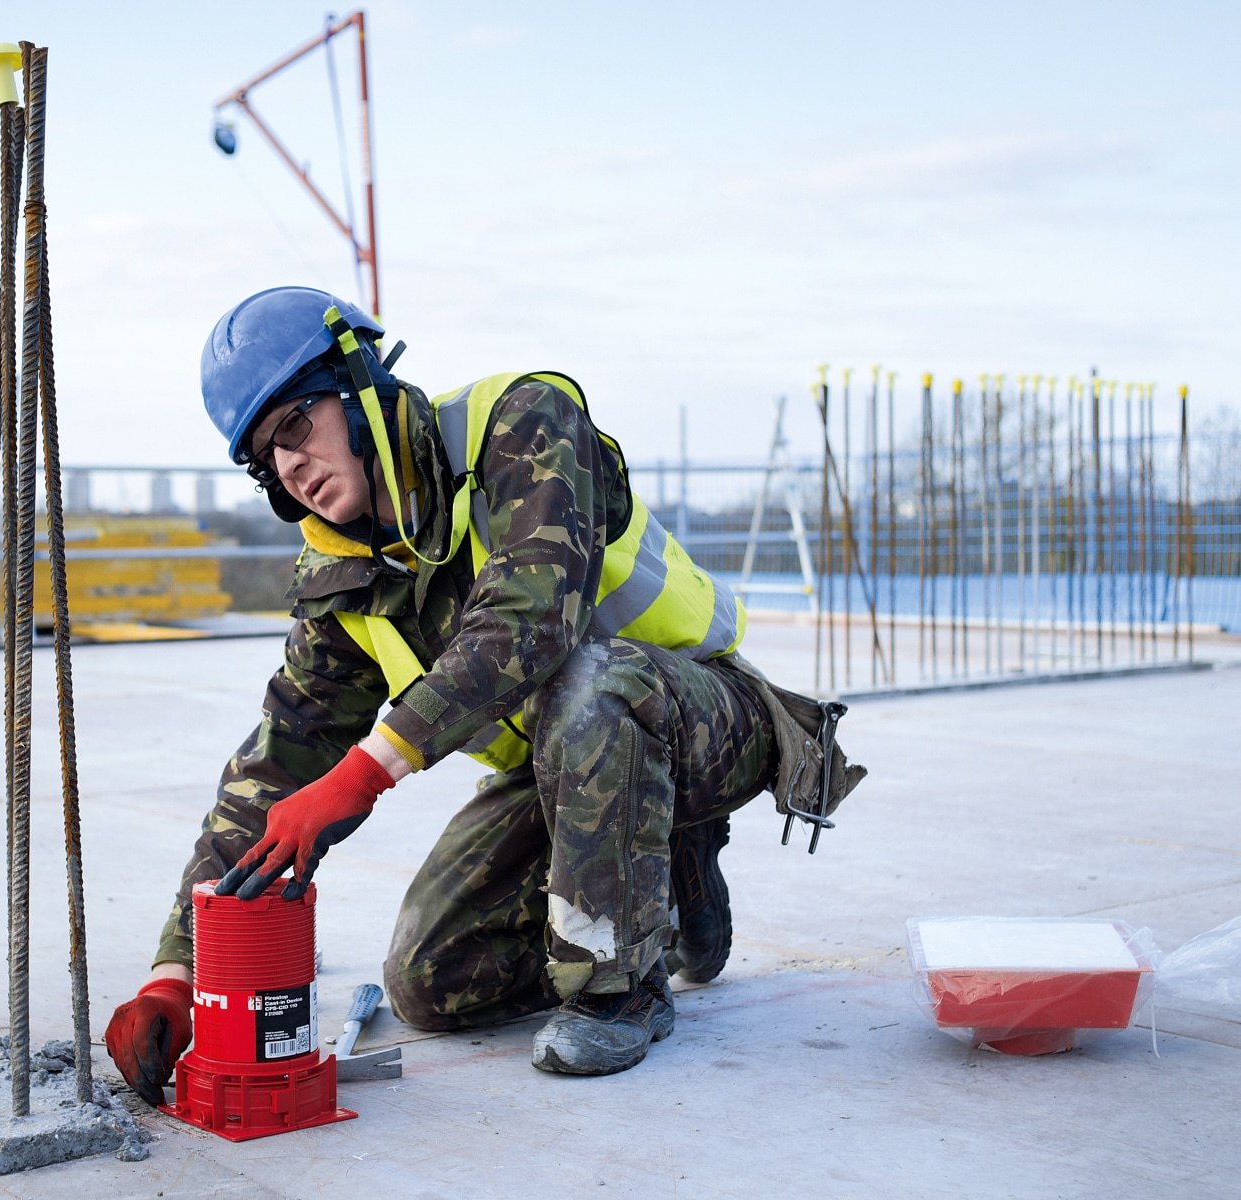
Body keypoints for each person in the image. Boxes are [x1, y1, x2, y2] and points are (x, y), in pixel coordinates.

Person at [105, 287, 863, 1104]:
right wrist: (179, 971)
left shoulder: (520, 423)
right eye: (266, 458)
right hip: (564, 771)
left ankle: (619, 990)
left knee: (589, 683)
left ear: (360, 387)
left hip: (698, 719)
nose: (289, 465)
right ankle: (665, 898)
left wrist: (363, 773)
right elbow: (279, 765)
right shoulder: (343, 581)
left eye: (295, 425)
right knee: (429, 983)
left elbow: (529, 621)